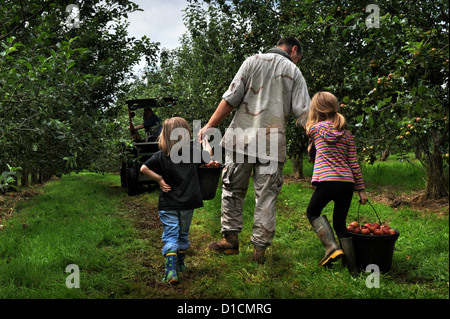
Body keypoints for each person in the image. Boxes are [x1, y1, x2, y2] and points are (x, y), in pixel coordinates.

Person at [198, 36, 311, 264]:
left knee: (232, 189)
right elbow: (304, 114)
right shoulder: (294, 72)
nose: (298, 61)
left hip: (241, 139)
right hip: (272, 144)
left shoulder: (252, 61)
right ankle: (259, 251)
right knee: (266, 197)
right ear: (294, 50)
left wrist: (210, 126)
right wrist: (317, 137)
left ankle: (230, 241)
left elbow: (231, 98)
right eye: (299, 57)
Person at [304, 91, 368, 275]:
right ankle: (353, 269)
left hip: (327, 181)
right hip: (346, 183)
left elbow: (308, 132)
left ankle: (331, 247)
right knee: (340, 223)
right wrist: (361, 190)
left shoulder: (315, 129)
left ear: (316, 109)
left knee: (312, 211)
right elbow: (354, 163)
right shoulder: (347, 135)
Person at [140, 117, 211, 284]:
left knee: (170, 235)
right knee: (182, 234)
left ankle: (171, 270)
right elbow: (208, 159)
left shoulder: (161, 156)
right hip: (188, 203)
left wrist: (159, 180)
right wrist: (205, 141)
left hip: (168, 204)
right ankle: (180, 264)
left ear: (164, 136)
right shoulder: (193, 153)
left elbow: (143, 168)